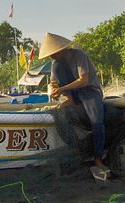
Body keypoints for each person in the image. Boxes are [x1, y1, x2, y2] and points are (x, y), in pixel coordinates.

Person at [41, 32, 111, 181]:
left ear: (61, 49)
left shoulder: (78, 55)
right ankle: (71, 101)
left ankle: (98, 158)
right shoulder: (56, 65)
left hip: (89, 91)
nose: (51, 57)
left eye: (53, 53)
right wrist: (55, 90)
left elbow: (83, 80)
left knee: (97, 122)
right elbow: (54, 82)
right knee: (60, 112)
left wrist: (61, 89)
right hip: (72, 94)